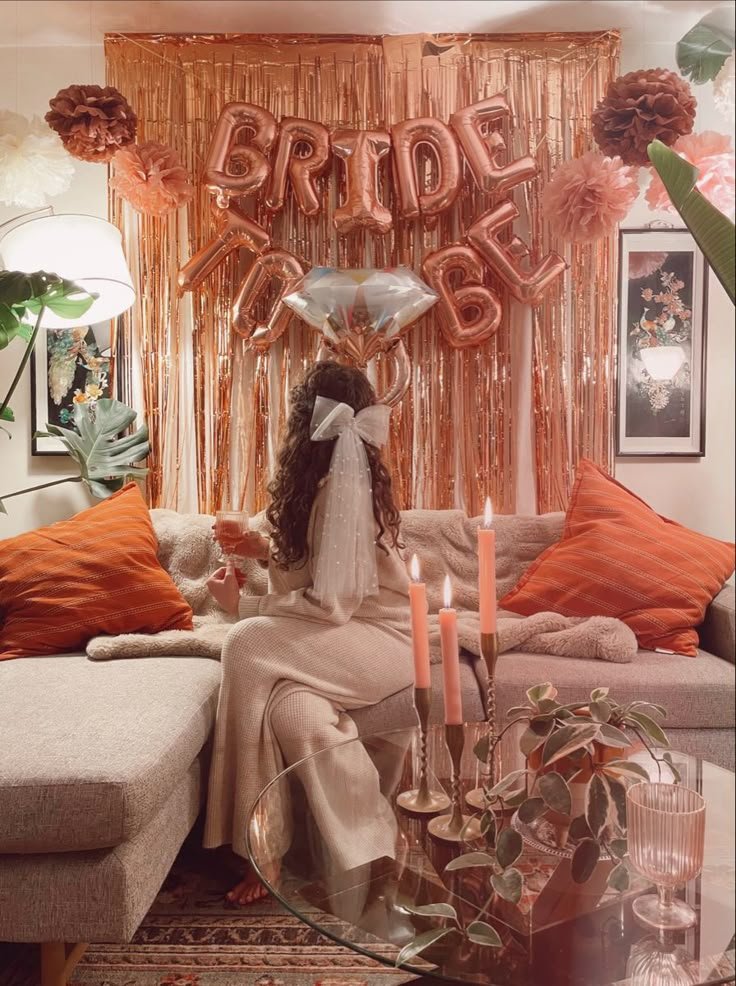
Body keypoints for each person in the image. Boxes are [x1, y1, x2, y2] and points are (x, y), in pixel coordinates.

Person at [204, 361, 414, 905]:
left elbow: (332, 605)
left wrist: (242, 603)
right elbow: (326, 564)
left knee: (246, 642)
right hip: (343, 634)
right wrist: (260, 547)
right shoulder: (323, 485)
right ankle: (373, 849)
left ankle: (255, 851)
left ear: (303, 423)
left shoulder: (345, 485)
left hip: (383, 639)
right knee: (293, 712)